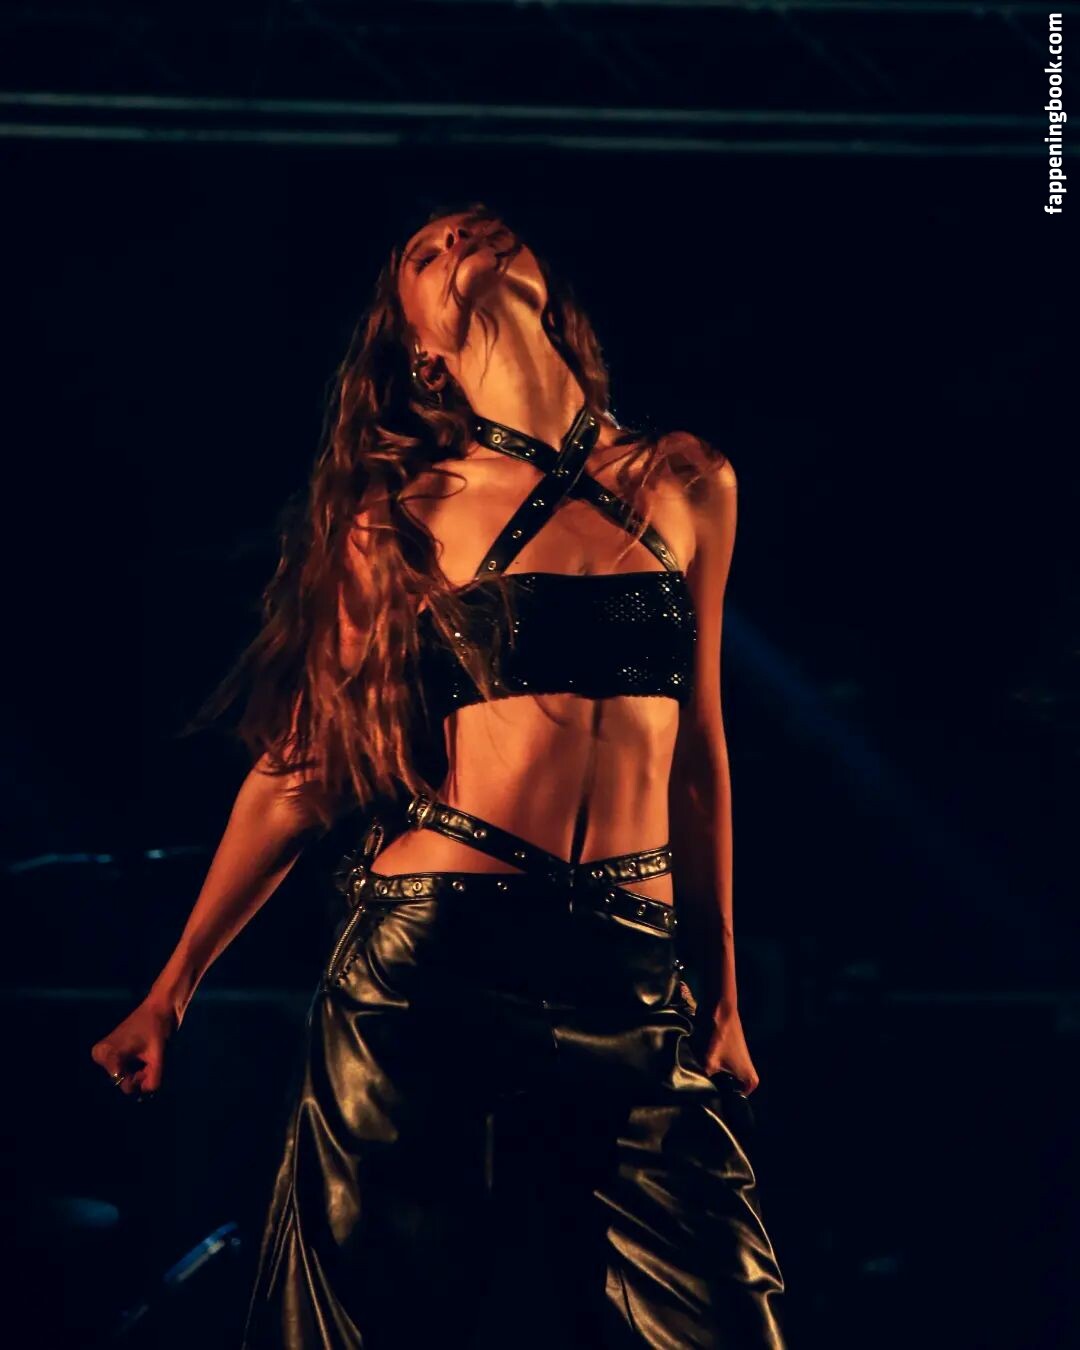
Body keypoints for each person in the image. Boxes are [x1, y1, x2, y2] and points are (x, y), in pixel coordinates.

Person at [90, 199, 788, 1348]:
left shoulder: (686, 478)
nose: (456, 239)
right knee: (383, 1314)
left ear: (546, 283)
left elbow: (700, 755)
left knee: (720, 1317)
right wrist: (171, 989)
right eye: (424, 251)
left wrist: (722, 999)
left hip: (630, 969)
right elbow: (303, 765)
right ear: (421, 347)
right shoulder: (404, 513)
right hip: (440, 955)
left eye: (474, 227)